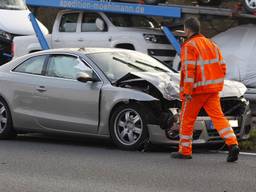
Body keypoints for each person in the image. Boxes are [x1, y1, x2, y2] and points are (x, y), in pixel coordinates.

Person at [171, 17, 240, 162]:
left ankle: (185, 150)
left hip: (196, 91)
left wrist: (188, 91)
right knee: (218, 118)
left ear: (187, 30)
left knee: (186, 119)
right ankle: (232, 144)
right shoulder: (212, 44)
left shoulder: (189, 46)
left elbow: (189, 71)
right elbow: (222, 67)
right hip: (212, 89)